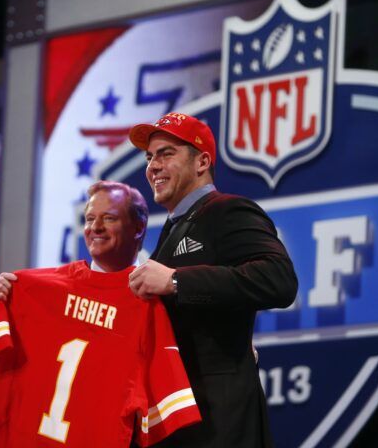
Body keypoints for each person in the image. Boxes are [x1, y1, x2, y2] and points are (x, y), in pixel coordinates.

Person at [0, 181, 201, 447]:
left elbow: (163, 425)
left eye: (109, 218)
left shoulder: (148, 305)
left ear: (139, 228)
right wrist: (6, 312)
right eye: (89, 218)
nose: (95, 227)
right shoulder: (35, 291)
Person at [126, 112, 298, 448]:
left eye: (166, 154)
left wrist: (177, 282)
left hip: (220, 421)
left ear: (202, 161)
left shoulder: (228, 211)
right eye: (150, 157)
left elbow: (279, 279)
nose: (153, 166)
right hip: (181, 421)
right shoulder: (173, 229)